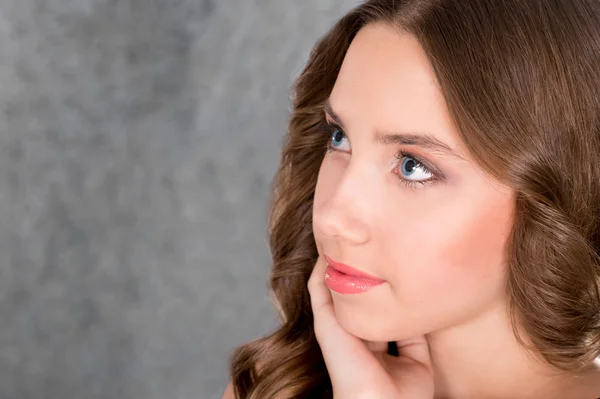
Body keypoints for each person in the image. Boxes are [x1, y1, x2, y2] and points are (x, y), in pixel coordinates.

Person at [221, 0, 600, 398]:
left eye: (413, 167)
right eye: (340, 137)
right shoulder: (275, 386)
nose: (333, 216)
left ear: (560, 192)